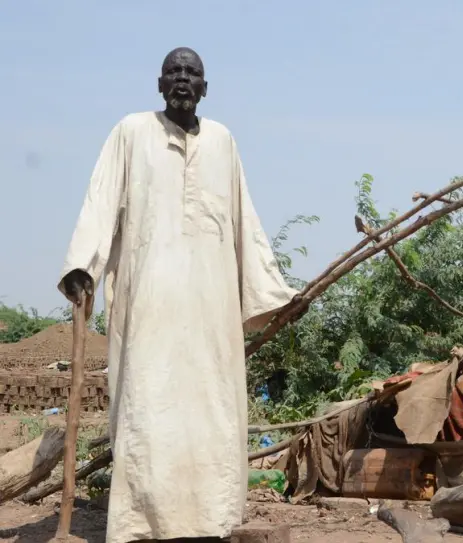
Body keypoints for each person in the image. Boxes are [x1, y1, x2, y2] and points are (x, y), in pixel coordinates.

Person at [58, 47, 299, 543]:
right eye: (174, 72)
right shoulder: (130, 133)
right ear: (159, 82)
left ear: (205, 88)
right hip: (149, 302)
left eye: (192, 73)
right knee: (149, 405)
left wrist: (271, 293)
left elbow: (244, 222)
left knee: (211, 407)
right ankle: (142, 523)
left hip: (211, 307)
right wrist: (84, 266)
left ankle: (212, 521)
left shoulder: (223, 142)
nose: (182, 79)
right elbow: (100, 203)